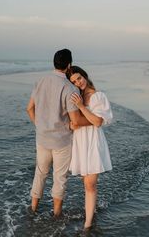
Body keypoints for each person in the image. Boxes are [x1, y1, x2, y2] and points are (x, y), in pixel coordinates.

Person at [26, 49, 91, 217]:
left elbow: (29, 109)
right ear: (69, 65)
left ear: (54, 63)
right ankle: (56, 215)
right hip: (61, 141)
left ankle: (32, 209)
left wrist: (40, 126)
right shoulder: (70, 89)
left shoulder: (41, 81)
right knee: (59, 178)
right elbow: (75, 121)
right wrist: (95, 120)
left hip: (42, 138)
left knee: (40, 173)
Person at [66, 65, 113, 230]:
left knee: (90, 184)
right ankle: (91, 210)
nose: (78, 82)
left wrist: (81, 107)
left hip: (93, 141)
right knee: (86, 183)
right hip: (80, 142)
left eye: (79, 78)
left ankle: (87, 224)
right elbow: (74, 123)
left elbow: (98, 121)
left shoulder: (98, 96)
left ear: (84, 75)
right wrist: (72, 125)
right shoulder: (76, 97)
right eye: (74, 81)